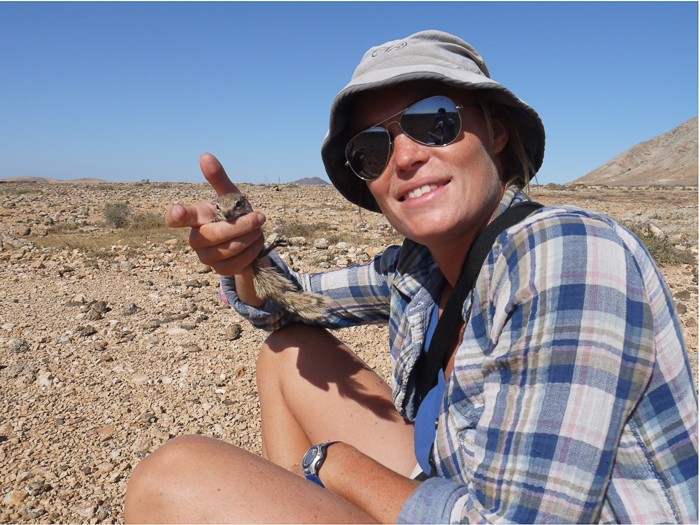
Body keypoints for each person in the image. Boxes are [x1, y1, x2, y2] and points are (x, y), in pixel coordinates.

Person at [124, 30, 698, 523]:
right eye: (371, 150)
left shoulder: (568, 254)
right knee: (287, 353)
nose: (403, 158)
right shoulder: (419, 270)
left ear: (496, 132)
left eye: (434, 122)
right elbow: (286, 306)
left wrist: (337, 465)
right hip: (463, 487)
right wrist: (245, 259)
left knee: (171, 481)